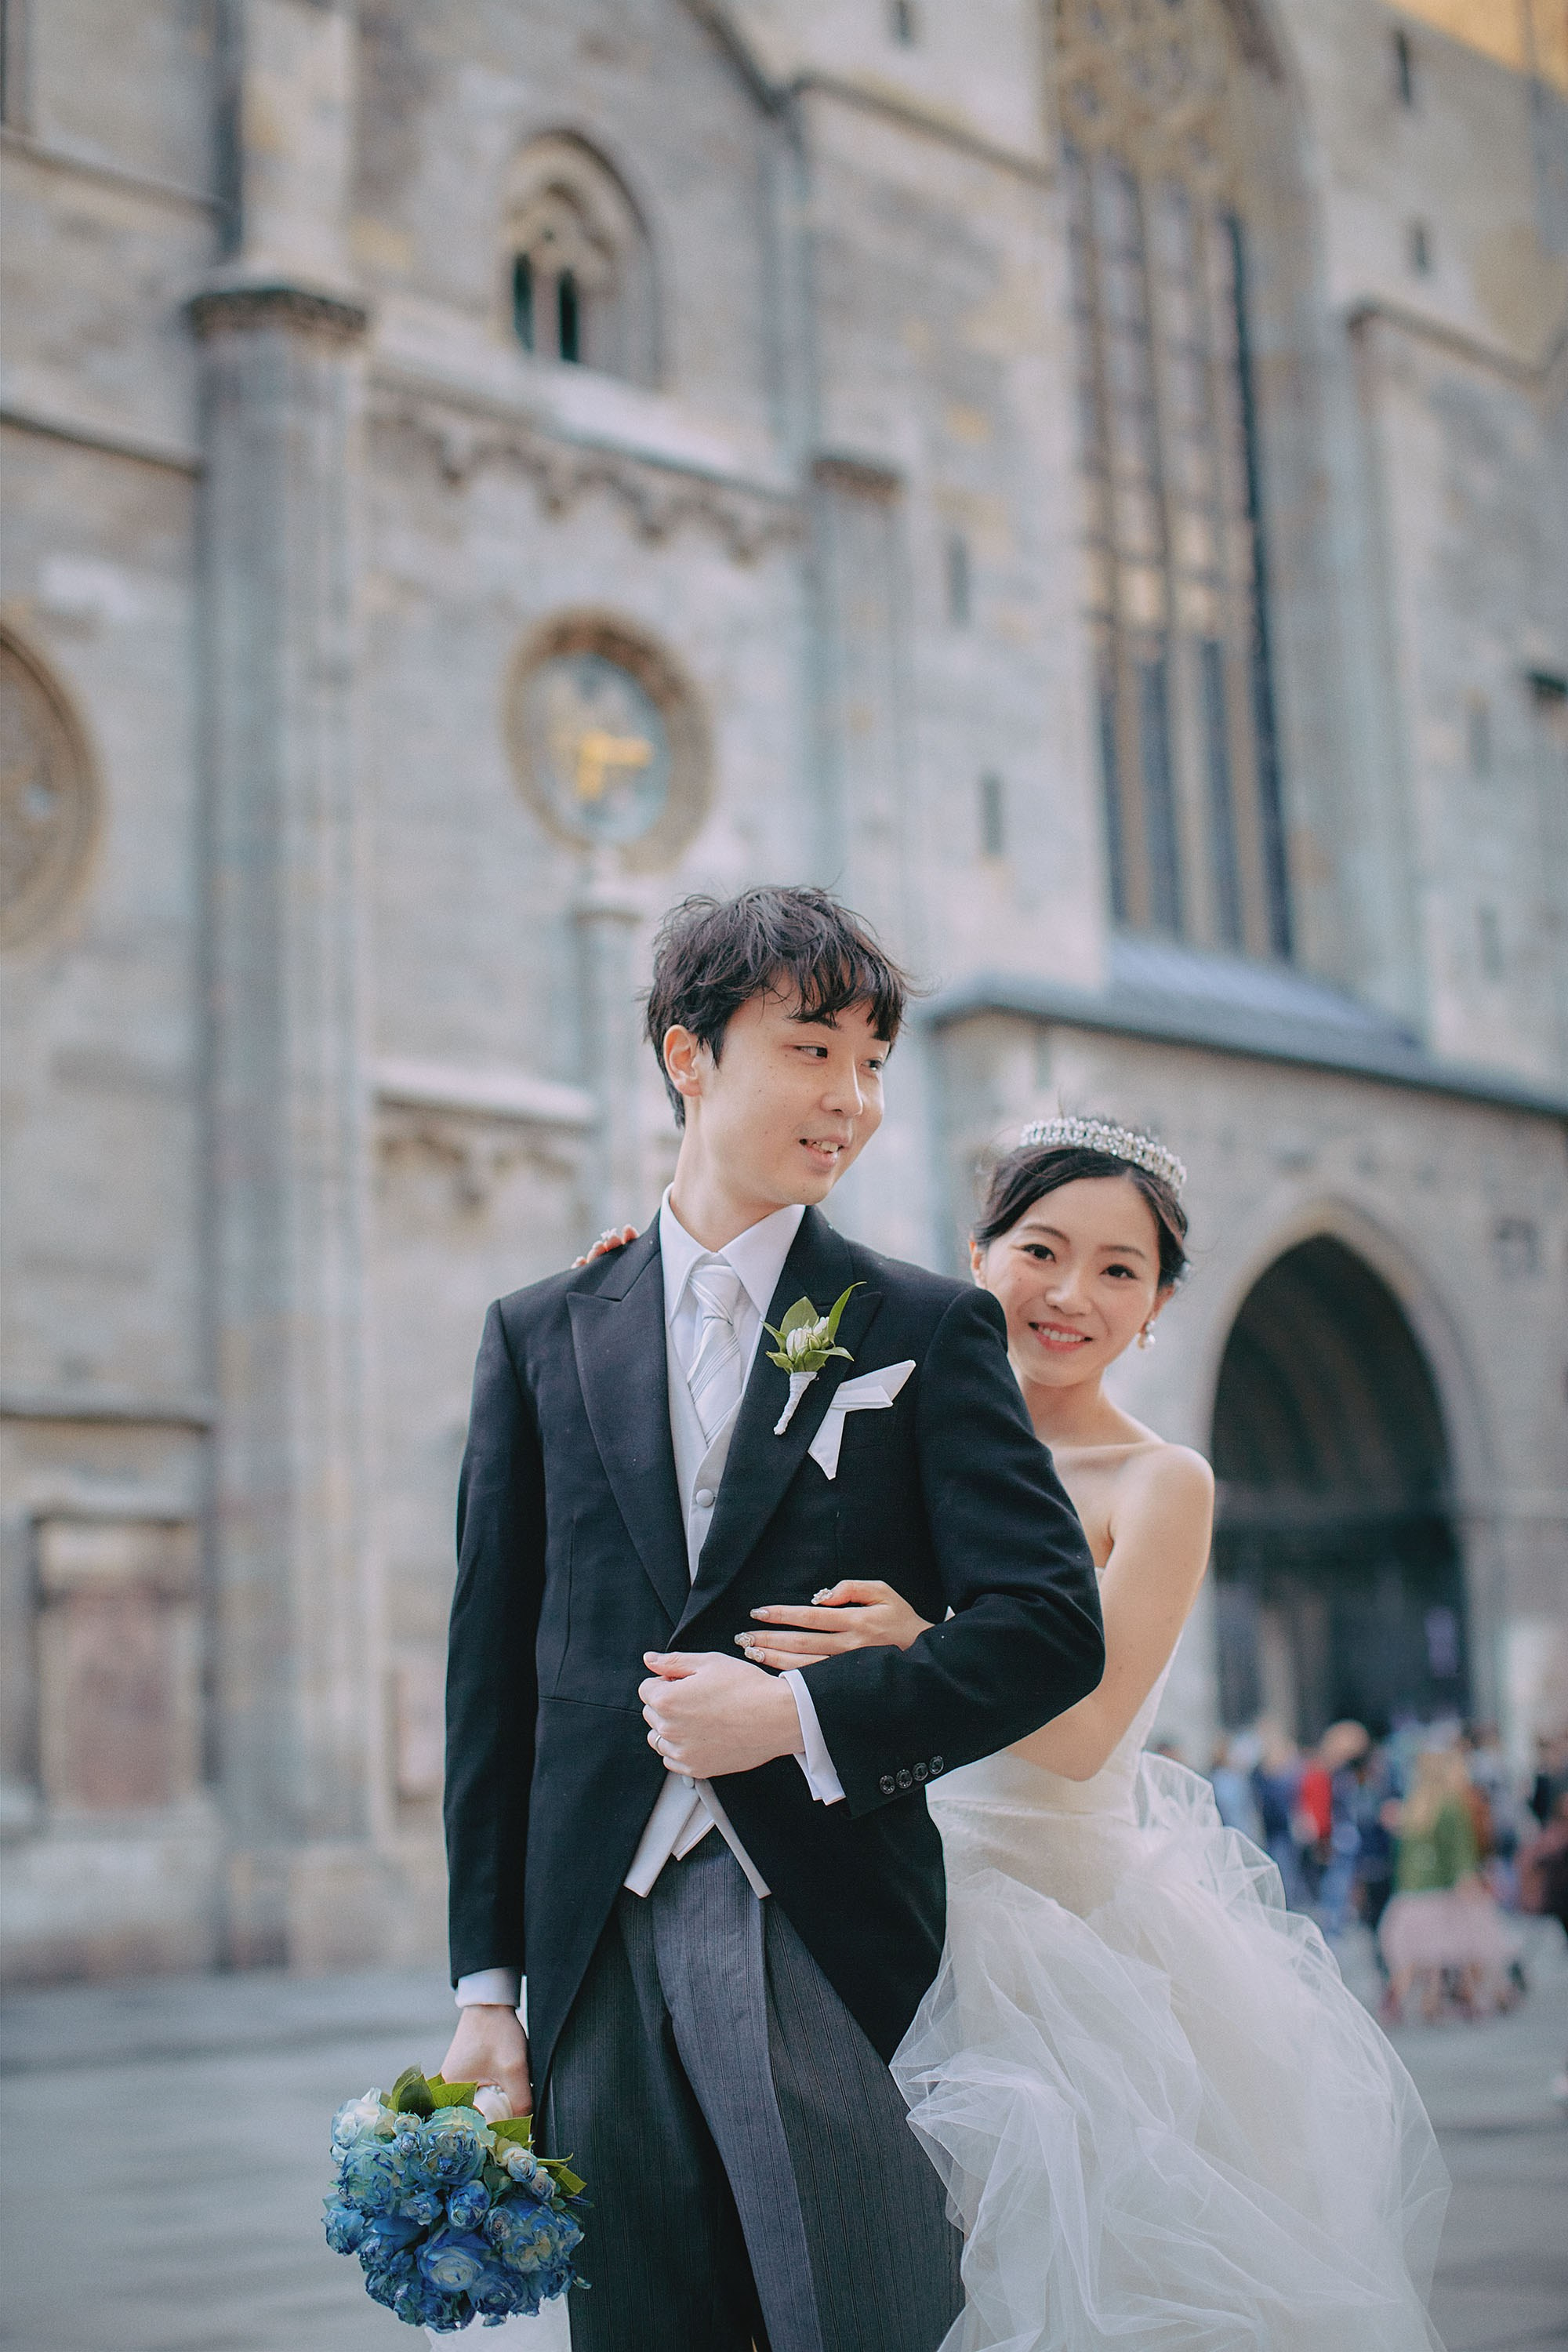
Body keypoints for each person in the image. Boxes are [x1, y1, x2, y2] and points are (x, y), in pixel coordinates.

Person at [438, 887, 1105, 2352]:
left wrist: (797, 1714)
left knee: (854, 2318)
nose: (851, 1101)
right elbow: (491, 1676)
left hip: (822, 1917)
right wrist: (490, 1987)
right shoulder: (540, 1331)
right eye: (814, 1051)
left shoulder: (925, 1328)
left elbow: (1056, 1626)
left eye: (873, 1062)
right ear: (690, 1055)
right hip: (593, 1941)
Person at [742, 1122, 1449, 2351]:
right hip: (881, 1894)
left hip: (1059, 1938)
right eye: (1041, 1249)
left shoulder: (1156, 1480)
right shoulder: (888, 1426)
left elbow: (1080, 1735)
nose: (1073, 1295)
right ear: (979, 1255)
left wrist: (922, 1641)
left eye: (1122, 1270)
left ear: (1160, 1305)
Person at [1381, 1746, 1523, 2023]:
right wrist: (1472, 1882)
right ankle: (1473, 1997)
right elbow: (1460, 1852)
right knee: (1462, 1943)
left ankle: (1411, 2000)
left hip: (1411, 1891)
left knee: (1417, 1952)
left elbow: (1403, 1856)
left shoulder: (1413, 1806)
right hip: (1441, 1889)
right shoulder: (1451, 1805)